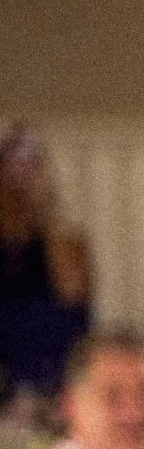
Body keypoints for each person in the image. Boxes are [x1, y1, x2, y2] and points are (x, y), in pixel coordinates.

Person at [0, 124, 91, 420]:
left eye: (31, 168)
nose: (19, 180)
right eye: (11, 168)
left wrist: (44, 210)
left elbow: (73, 301)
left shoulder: (66, 244)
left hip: (54, 387)